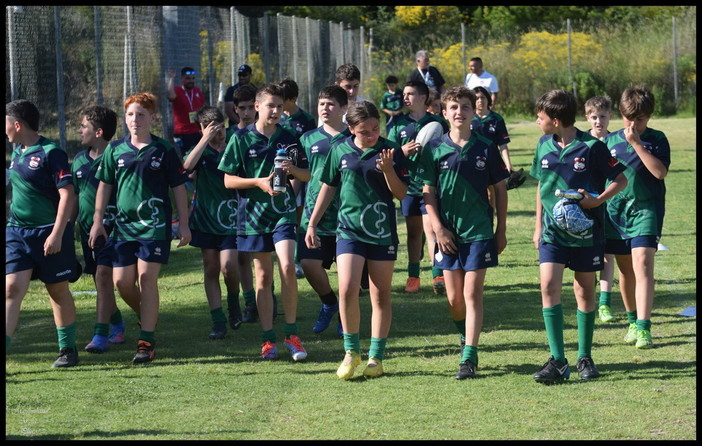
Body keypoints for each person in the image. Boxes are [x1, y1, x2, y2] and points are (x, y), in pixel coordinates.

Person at [305, 101, 410, 380]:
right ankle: (351, 352)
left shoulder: (390, 151)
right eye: (365, 131)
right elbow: (328, 186)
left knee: (380, 294)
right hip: (348, 230)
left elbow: (401, 194)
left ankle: (376, 356)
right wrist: (312, 223)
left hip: (382, 232)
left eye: (376, 128)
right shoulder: (339, 148)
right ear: (351, 129)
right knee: (348, 288)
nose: (372, 134)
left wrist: (388, 169)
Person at [530, 89, 627, 384]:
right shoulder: (543, 146)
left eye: (541, 116)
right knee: (548, 286)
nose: (537, 121)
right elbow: (541, 187)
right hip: (551, 233)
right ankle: (558, 360)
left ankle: (584, 356)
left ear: (557, 120)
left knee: (584, 290)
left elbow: (620, 180)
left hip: (586, 233)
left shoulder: (591, 148)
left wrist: (597, 201)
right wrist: (537, 226)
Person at [89, 92, 192, 365]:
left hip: (154, 227)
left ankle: (146, 342)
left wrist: (184, 223)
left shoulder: (164, 149)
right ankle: (148, 317)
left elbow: (179, 188)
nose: (135, 120)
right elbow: (105, 185)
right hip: (123, 228)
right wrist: (98, 221)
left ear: (153, 118)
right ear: (126, 118)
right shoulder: (115, 150)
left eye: (142, 115)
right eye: (131, 115)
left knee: (147, 279)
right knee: (121, 283)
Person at [419, 85, 509, 379]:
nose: (460, 112)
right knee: (455, 300)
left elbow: (499, 188)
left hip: (479, 231)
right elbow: (428, 193)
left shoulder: (485, 146)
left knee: (472, 294)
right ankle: (464, 335)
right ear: (444, 113)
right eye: (453, 107)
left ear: (474, 111)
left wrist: (501, 229)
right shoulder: (434, 149)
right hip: (448, 235)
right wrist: (439, 229)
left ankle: (469, 357)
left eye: (465, 107)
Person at [218, 83, 311, 361]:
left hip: (282, 212)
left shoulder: (290, 137)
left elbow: (305, 175)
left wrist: (292, 170)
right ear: (257, 106)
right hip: (253, 217)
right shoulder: (240, 138)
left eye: (280, 106)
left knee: (286, 266)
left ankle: (292, 334)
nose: (276, 111)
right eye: (270, 105)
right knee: (263, 276)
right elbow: (227, 180)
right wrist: (257, 182)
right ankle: (268, 339)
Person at [6, 99, 82, 368]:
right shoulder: (17, 153)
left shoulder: (52, 153)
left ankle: (68, 349)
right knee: (11, 289)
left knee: (57, 291)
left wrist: (58, 234)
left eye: (6, 123)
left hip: (49, 233)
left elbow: (68, 194)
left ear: (17, 124)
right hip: (17, 233)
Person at [604, 86, 670, 349]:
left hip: (646, 211)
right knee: (626, 271)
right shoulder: (608, 142)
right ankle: (632, 321)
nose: (634, 124)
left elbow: (660, 173)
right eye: (629, 119)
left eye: (640, 119)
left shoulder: (657, 139)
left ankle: (644, 328)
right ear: (621, 114)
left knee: (642, 264)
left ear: (649, 117)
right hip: (616, 213)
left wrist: (637, 144)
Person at [72, 105, 134, 353]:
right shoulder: (78, 160)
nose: (79, 130)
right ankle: (117, 322)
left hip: (117, 229)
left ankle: (102, 334)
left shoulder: (119, 156)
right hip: (89, 232)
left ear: (98, 132)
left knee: (110, 278)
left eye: (83, 126)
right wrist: (67, 227)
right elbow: (74, 197)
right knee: (102, 281)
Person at [182, 105, 243, 339]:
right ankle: (218, 320)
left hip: (231, 218)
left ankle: (234, 302)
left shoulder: (232, 147)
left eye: (221, 128)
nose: (219, 133)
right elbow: (186, 167)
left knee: (229, 266)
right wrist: (204, 139)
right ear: (202, 129)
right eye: (212, 129)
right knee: (210, 267)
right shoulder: (200, 151)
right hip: (206, 218)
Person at [298, 85, 350, 336]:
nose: (325, 109)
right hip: (313, 215)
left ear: (344, 108)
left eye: (330, 104)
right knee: (308, 264)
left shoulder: (353, 137)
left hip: (345, 215)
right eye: (321, 104)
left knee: (346, 272)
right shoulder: (307, 138)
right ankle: (329, 302)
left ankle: (344, 316)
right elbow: (300, 174)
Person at [386, 80, 446, 295]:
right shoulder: (398, 125)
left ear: (422, 98)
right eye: (404, 94)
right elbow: (388, 155)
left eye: (410, 94)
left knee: (432, 230)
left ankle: (438, 274)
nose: (405, 97)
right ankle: (413, 275)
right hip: (408, 186)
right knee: (414, 233)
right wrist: (402, 151)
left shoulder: (437, 123)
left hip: (430, 185)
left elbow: (447, 148)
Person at [583, 95, 617, 323]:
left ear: (610, 117)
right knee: (587, 256)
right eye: (594, 117)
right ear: (587, 117)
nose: (598, 121)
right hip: (587, 206)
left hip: (612, 206)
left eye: (602, 116)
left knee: (607, 255)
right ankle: (588, 299)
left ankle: (604, 303)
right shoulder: (582, 142)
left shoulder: (617, 142)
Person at [230, 84, 258, 323]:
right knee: (242, 256)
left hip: (260, 205)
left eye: (251, 107)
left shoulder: (265, 133)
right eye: (242, 108)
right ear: (235, 109)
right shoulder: (231, 136)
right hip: (235, 205)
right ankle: (250, 301)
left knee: (262, 256)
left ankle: (265, 295)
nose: (247, 113)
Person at [471, 86, 525, 195]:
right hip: (472, 159)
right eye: (477, 98)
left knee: (492, 191)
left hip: (492, 159)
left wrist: (508, 164)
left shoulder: (497, 119)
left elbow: (503, 145)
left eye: (483, 97)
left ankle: (492, 212)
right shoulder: (468, 118)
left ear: (488, 99)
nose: (480, 101)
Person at [166, 66, 206, 156]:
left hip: (197, 130)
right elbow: (170, 96)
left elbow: (203, 107)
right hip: (183, 132)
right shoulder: (177, 90)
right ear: (182, 79)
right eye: (188, 78)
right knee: (186, 156)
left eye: (193, 78)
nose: (191, 81)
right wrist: (171, 78)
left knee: (200, 156)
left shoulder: (197, 91)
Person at [224, 64, 256, 128]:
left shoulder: (255, 90)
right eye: (240, 75)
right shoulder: (231, 90)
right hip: (235, 126)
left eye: (244, 75)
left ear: (250, 75)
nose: (242, 77)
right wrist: (242, 124)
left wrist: (252, 124)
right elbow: (229, 111)